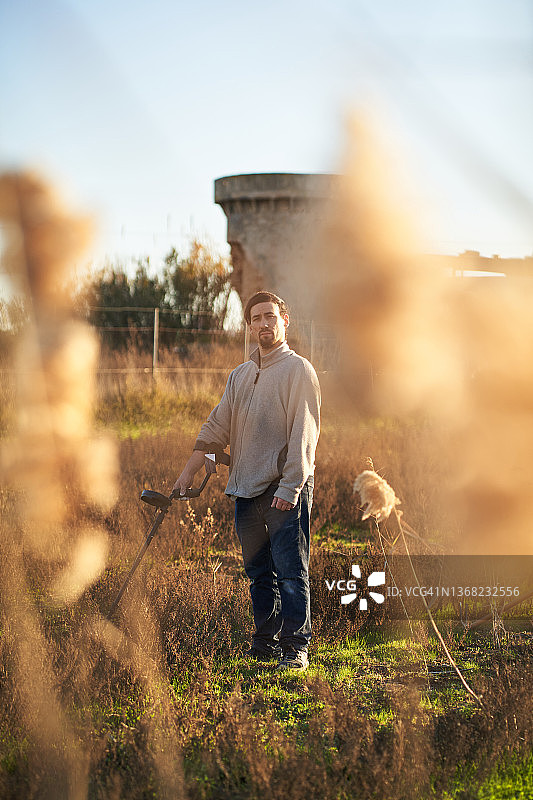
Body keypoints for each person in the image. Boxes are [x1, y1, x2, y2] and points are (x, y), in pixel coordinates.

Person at [173, 290, 321, 671]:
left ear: (284, 321)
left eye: (271, 316)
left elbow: (304, 435)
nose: (264, 324)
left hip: (283, 488)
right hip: (245, 489)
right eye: (257, 318)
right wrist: (188, 470)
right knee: (258, 574)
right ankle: (265, 643)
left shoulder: (298, 370)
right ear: (249, 325)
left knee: (291, 570)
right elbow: (217, 424)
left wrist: (291, 488)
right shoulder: (240, 375)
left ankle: (295, 647)